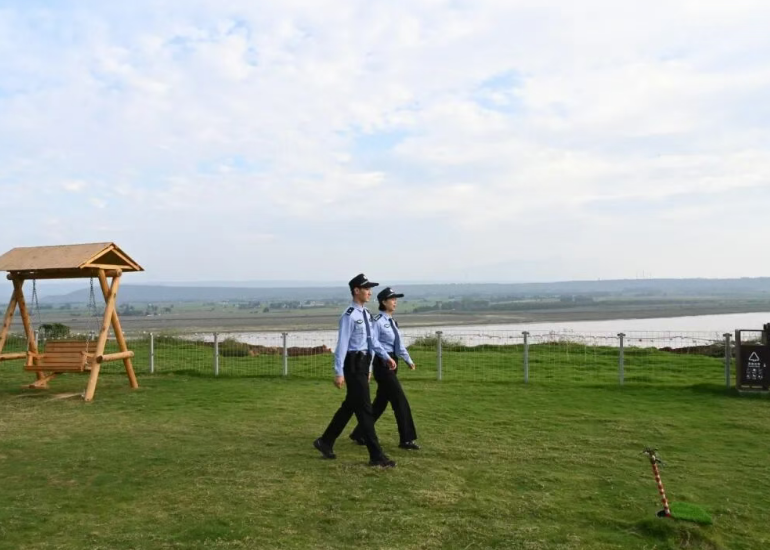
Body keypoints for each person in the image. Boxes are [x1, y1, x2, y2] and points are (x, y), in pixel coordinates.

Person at [313, 274, 398, 467]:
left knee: (350, 406)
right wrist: (338, 372)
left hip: (363, 364)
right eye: (366, 288)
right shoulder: (349, 316)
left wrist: (385, 357)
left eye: (370, 288)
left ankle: (325, 441)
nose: (370, 292)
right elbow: (342, 345)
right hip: (352, 365)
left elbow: (372, 342)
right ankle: (376, 455)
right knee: (365, 410)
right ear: (356, 290)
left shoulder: (366, 314)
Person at [349, 287, 420, 450]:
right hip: (382, 365)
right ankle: (406, 439)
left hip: (392, 363)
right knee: (400, 401)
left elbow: (399, 345)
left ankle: (359, 433)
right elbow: (372, 345)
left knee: (380, 403)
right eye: (392, 299)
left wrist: (408, 360)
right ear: (383, 302)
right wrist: (369, 369)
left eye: (396, 299)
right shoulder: (377, 322)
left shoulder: (392, 322)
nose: (395, 302)